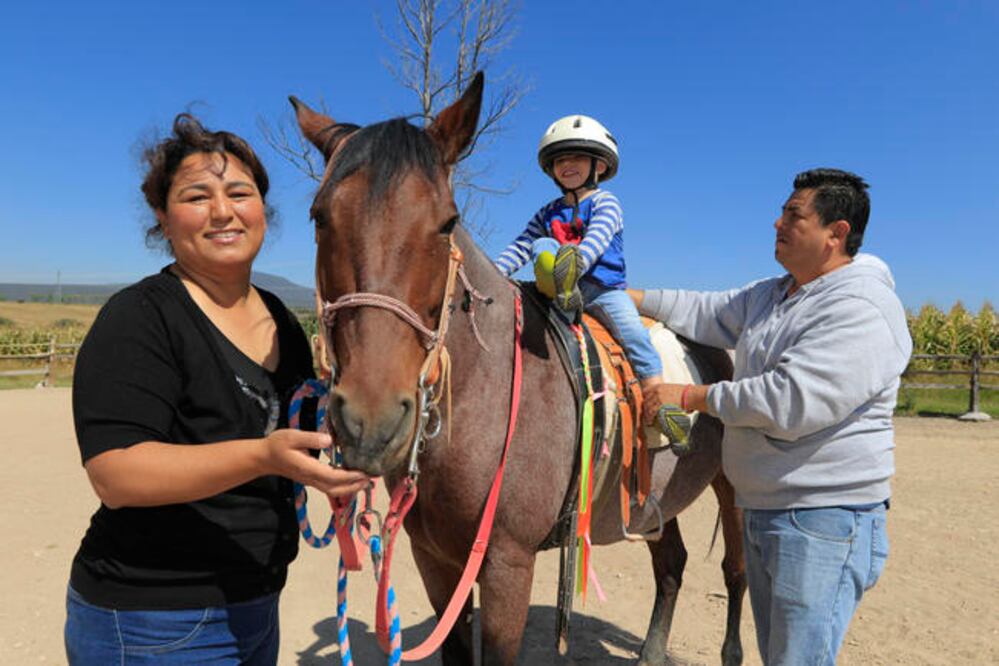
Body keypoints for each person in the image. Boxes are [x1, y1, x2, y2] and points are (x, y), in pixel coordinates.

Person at [64, 114, 369, 665]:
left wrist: (336, 461)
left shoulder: (281, 319)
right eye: (197, 196)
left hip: (255, 602)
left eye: (239, 192)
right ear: (161, 217)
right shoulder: (140, 318)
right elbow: (116, 474)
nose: (223, 211)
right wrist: (264, 457)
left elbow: (298, 429)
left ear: (263, 210)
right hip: (151, 618)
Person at [633, 168, 912, 665]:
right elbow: (704, 309)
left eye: (793, 214)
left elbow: (791, 400)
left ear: (836, 233)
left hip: (823, 520)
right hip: (771, 512)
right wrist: (627, 298)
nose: (777, 221)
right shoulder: (775, 294)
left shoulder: (862, 307)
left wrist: (693, 397)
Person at [494, 114, 665, 396]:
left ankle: (657, 394)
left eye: (576, 157)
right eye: (560, 160)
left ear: (599, 164)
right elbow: (521, 245)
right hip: (555, 292)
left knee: (635, 335)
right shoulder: (548, 211)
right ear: (551, 169)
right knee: (540, 245)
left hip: (602, 291)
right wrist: (494, 273)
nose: (567, 165)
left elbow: (598, 237)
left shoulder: (605, 202)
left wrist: (577, 262)